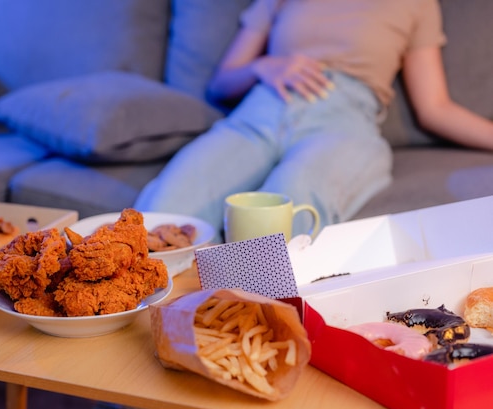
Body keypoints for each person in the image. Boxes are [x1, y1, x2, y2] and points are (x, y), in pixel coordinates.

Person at [134, 0, 493, 239]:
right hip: (260, 111)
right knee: (164, 209)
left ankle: (237, 319)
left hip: (342, 120)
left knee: (284, 209)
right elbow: (221, 83)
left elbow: (435, 109)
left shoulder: (416, 4)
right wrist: (264, 65)